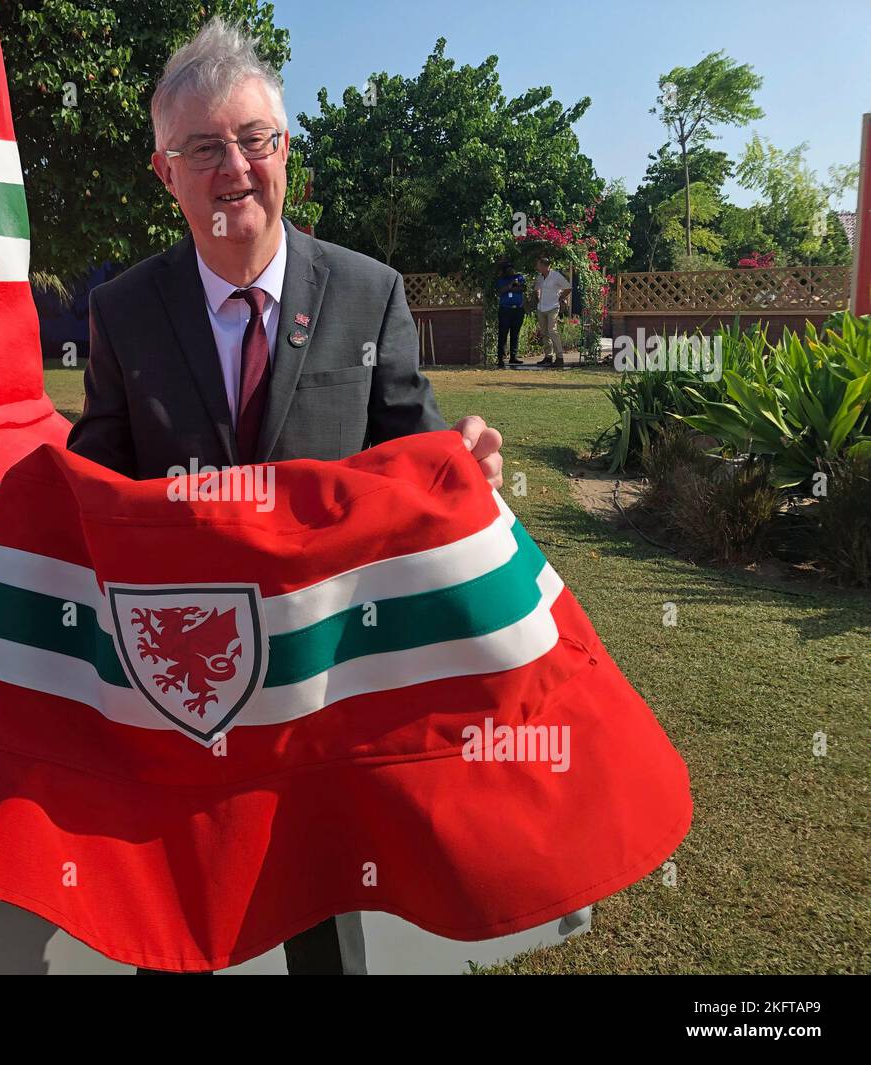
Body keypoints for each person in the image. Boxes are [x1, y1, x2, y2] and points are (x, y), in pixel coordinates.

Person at [65, 17, 506, 975]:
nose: (235, 168)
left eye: (255, 139)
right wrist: (41, 499)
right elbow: (97, 465)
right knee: (180, 923)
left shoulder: (368, 293)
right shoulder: (124, 310)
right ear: (165, 173)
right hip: (189, 678)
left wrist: (460, 465)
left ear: (286, 152)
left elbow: (412, 451)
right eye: (203, 148)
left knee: (323, 911)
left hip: (322, 680)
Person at [532, 257, 572, 367]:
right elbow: (537, 288)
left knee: (552, 331)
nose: (537, 267)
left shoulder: (556, 276)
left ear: (545, 266)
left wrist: (561, 297)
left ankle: (560, 357)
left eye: (538, 265)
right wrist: (538, 294)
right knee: (544, 332)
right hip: (541, 307)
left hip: (553, 306)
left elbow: (568, 288)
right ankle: (548, 356)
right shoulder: (540, 277)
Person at [494, 260, 526, 368]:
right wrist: (511, 285)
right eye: (508, 268)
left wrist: (509, 288)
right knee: (503, 334)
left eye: (512, 268)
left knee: (515, 334)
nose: (511, 270)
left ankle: (513, 356)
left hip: (517, 310)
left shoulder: (519, 277)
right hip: (505, 310)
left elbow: (522, 288)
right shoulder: (501, 280)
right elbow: (500, 291)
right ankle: (500, 358)